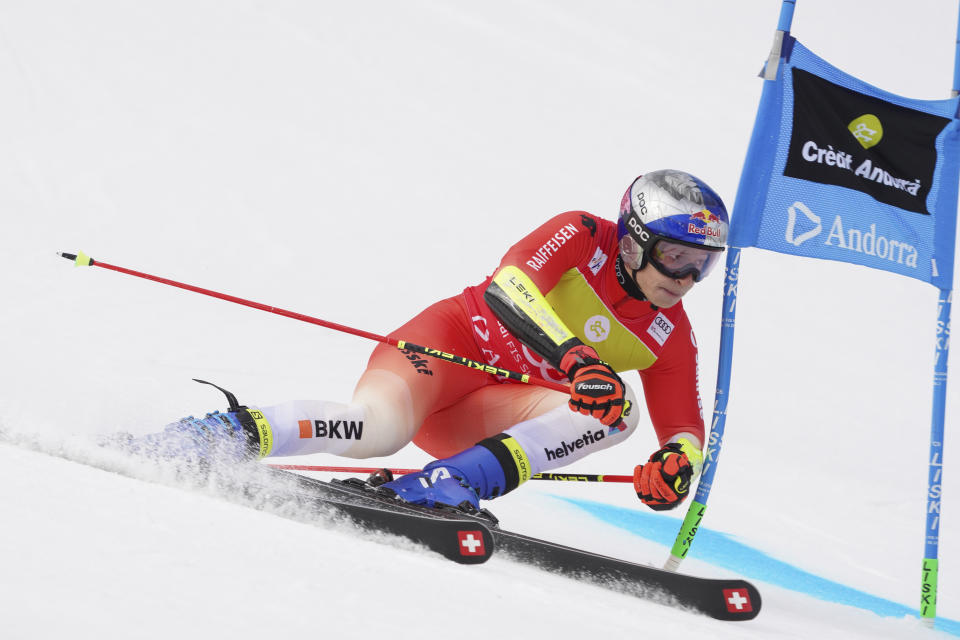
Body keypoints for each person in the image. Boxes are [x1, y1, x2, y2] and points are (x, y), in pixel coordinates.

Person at [141, 170, 728, 513]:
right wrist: (575, 358)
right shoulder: (580, 234)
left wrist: (679, 462)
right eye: (674, 257)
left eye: (699, 266)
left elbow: (685, 426)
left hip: (480, 417)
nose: (683, 280)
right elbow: (511, 288)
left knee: (617, 412)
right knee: (377, 429)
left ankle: (453, 481)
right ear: (632, 241)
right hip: (443, 352)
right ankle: (223, 433)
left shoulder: (671, 336)